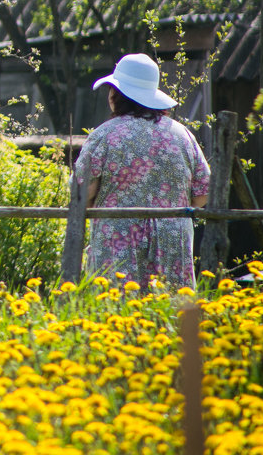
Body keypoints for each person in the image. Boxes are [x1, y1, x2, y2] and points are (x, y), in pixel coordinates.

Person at [73, 53, 211, 288]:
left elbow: (80, 194)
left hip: (117, 241)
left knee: (116, 312)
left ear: (117, 95)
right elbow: (202, 193)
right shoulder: (182, 136)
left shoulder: (105, 135)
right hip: (171, 241)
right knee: (169, 315)